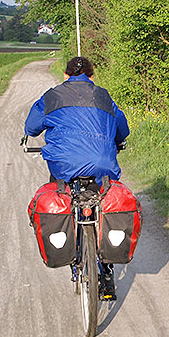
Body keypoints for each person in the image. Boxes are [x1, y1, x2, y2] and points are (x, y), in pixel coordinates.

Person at [24, 56, 130, 299]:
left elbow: (31, 127)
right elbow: (122, 129)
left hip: (64, 165)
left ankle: (72, 249)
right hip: (102, 164)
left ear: (65, 75)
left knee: (63, 192)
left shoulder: (51, 96)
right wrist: (116, 140)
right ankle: (106, 268)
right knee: (102, 197)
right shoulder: (103, 97)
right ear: (92, 77)